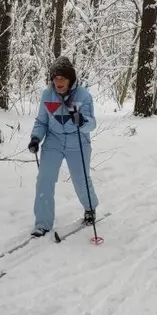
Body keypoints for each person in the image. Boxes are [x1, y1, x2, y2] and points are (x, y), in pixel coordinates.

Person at [27, 56, 99, 237]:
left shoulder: (83, 96)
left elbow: (91, 124)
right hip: (54, 141)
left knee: (81, 178)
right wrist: (36, 137)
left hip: (78, 142)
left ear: (70, 79)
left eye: (63, 78)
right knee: (44, 179)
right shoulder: (47, 95)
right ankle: (42, 223)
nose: (58, 82)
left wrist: (81, 120)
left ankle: (90, 208)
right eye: (55, 78)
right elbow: (41, 121)